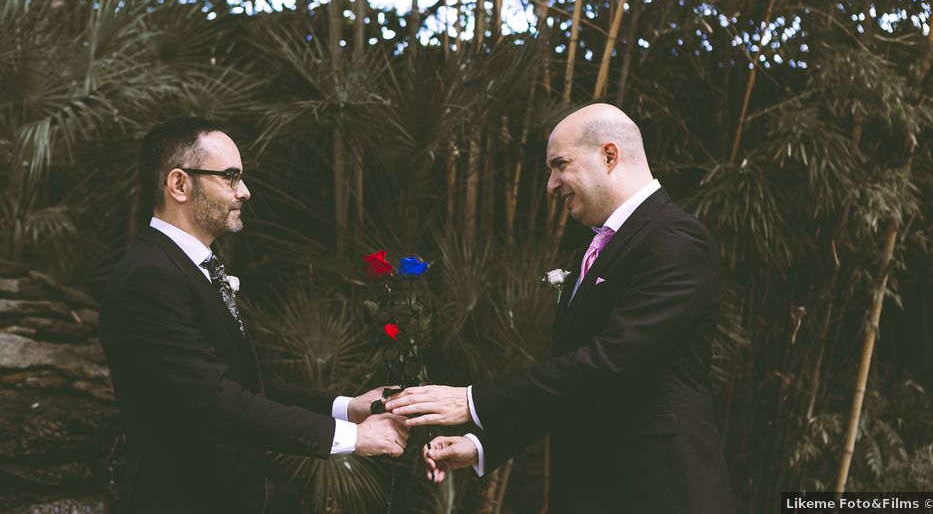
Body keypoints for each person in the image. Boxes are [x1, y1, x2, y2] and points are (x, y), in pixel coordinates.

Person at [385, 104, 734, 513]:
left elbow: (608, 362)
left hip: (658, 492)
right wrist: (482, 444)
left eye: (559, 165)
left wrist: (472, 400)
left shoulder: (675, 240)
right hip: (592, 492)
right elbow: (575, 381)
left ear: (609, 155)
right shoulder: (595, 244)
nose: (551, 185)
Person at [100, 118, 407, 514]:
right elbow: (214, 401)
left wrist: (346, 407)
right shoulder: (150, 277)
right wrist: (352, 437)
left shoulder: (188, 268)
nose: (244, 191)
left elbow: (242, 386)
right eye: (230, 177)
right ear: (179, 184)